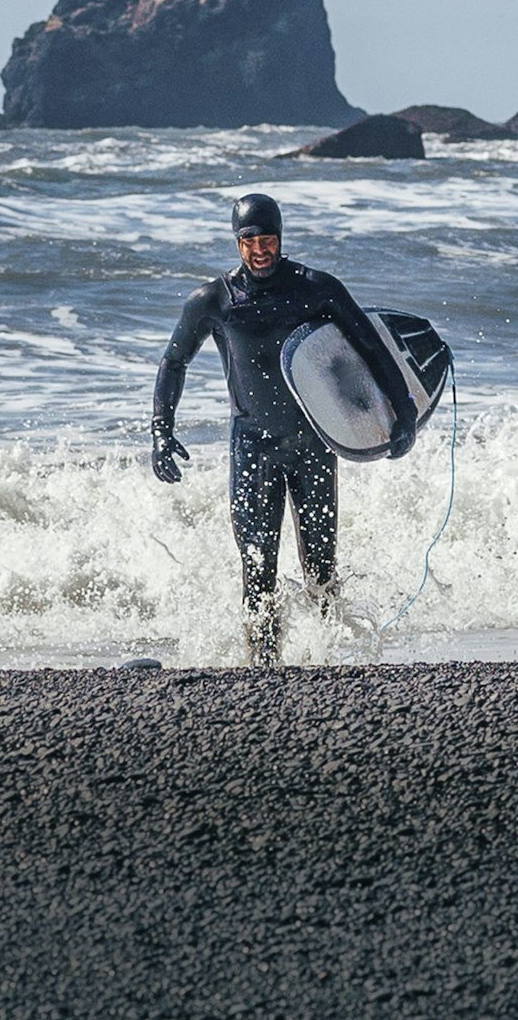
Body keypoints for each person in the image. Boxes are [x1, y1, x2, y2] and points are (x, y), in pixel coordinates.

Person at [150, 192, 420, 665]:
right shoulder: (213, 300)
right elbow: (175, 361)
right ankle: (264, 663)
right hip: (252, 447)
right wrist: (160, 428)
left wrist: (403, 412)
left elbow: (372, 347)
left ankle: (325, 657)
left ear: (281, 237)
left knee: (321, 564)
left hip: (314, 443)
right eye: (250, 241)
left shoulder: (316, 289)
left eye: (268, 239)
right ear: (237, 242)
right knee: (257, 565)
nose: (260, 250)